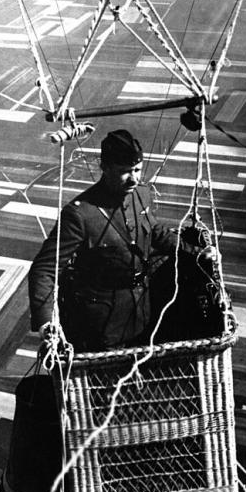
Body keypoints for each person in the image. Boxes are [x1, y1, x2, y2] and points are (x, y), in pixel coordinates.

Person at [28, 129, 213, 351]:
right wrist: (46, 321)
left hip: (142, 310)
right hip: (102, 325)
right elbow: (45, 268)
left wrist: (196, 252)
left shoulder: (140, 193)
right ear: (104, 167)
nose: (133, 179)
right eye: (124, 172)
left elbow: (154, 232)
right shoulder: (80, 214)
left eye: (137, 170)